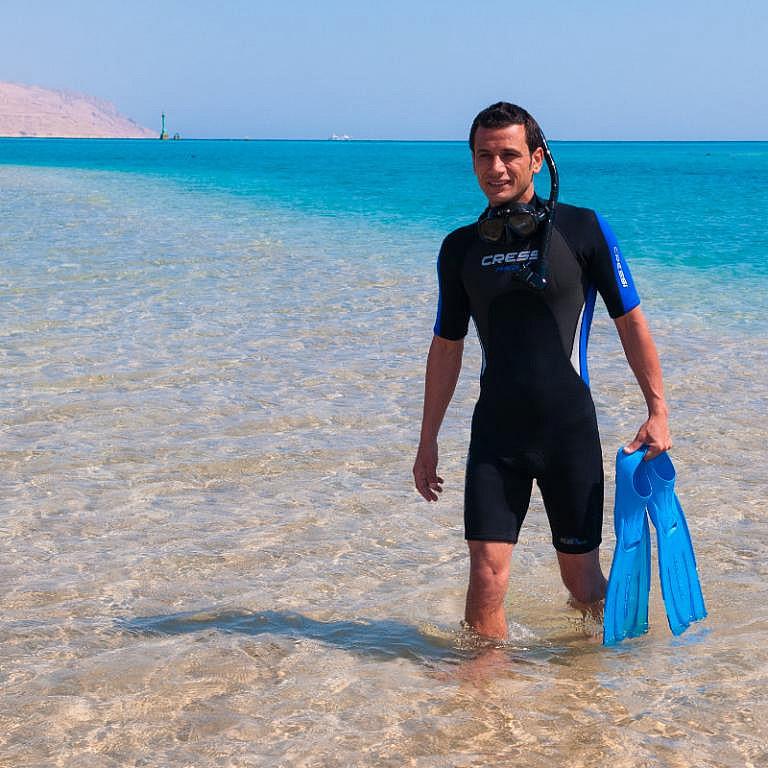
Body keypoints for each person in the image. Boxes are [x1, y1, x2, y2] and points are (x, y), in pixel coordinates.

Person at [412, 102, 671, 640]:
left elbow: (631, 322)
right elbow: (446, 346)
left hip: (567, 433)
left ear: (537, 159)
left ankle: (612, 675)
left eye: (509, 154)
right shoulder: (460, 249)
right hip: (496, 435)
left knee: (583, 584)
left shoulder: (583, 229)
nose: (496, 168)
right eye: (484, 156)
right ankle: (485, 689)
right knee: (486, 578)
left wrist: (658, 411)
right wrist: (427, 439)